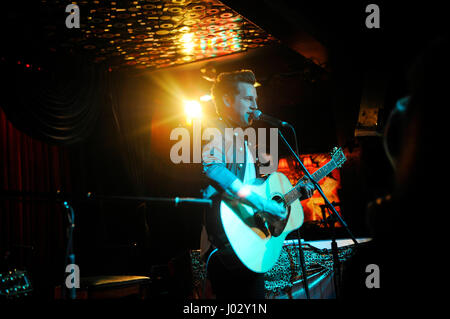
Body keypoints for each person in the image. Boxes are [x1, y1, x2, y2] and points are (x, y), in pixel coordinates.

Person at [199, 69, 314, 299]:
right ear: (227, 100)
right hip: (227, 248)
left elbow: (250, 190)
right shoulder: (216, 130)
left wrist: (294, 195)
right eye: (248, 99)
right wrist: (263, 204)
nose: (255, 105)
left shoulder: (241, 140)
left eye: (256, 100)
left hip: (247, 245)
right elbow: (212, 167)